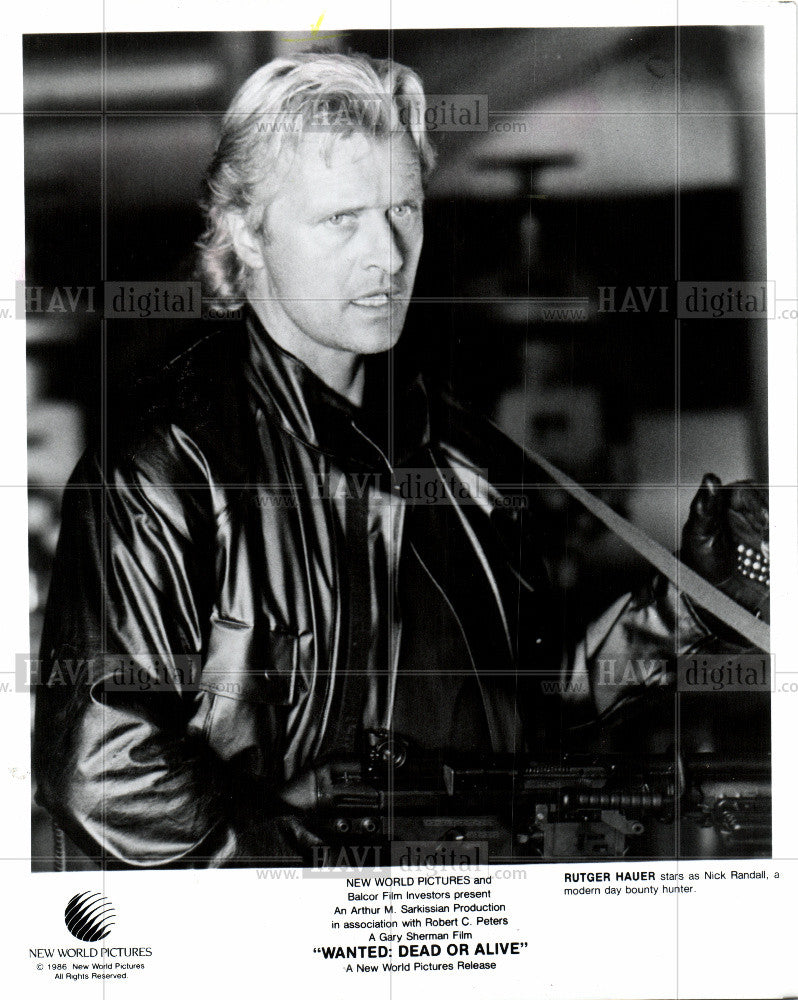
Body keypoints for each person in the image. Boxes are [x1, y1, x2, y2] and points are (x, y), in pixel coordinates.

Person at [33, 51, 767, 869]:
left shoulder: (462, 455)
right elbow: (105, 772)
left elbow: (531, 702)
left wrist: (690, 606)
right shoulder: (164, 469)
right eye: (342, 218)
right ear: (247, 230)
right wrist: (349, 884)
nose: (388, 254)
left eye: (405, 210)